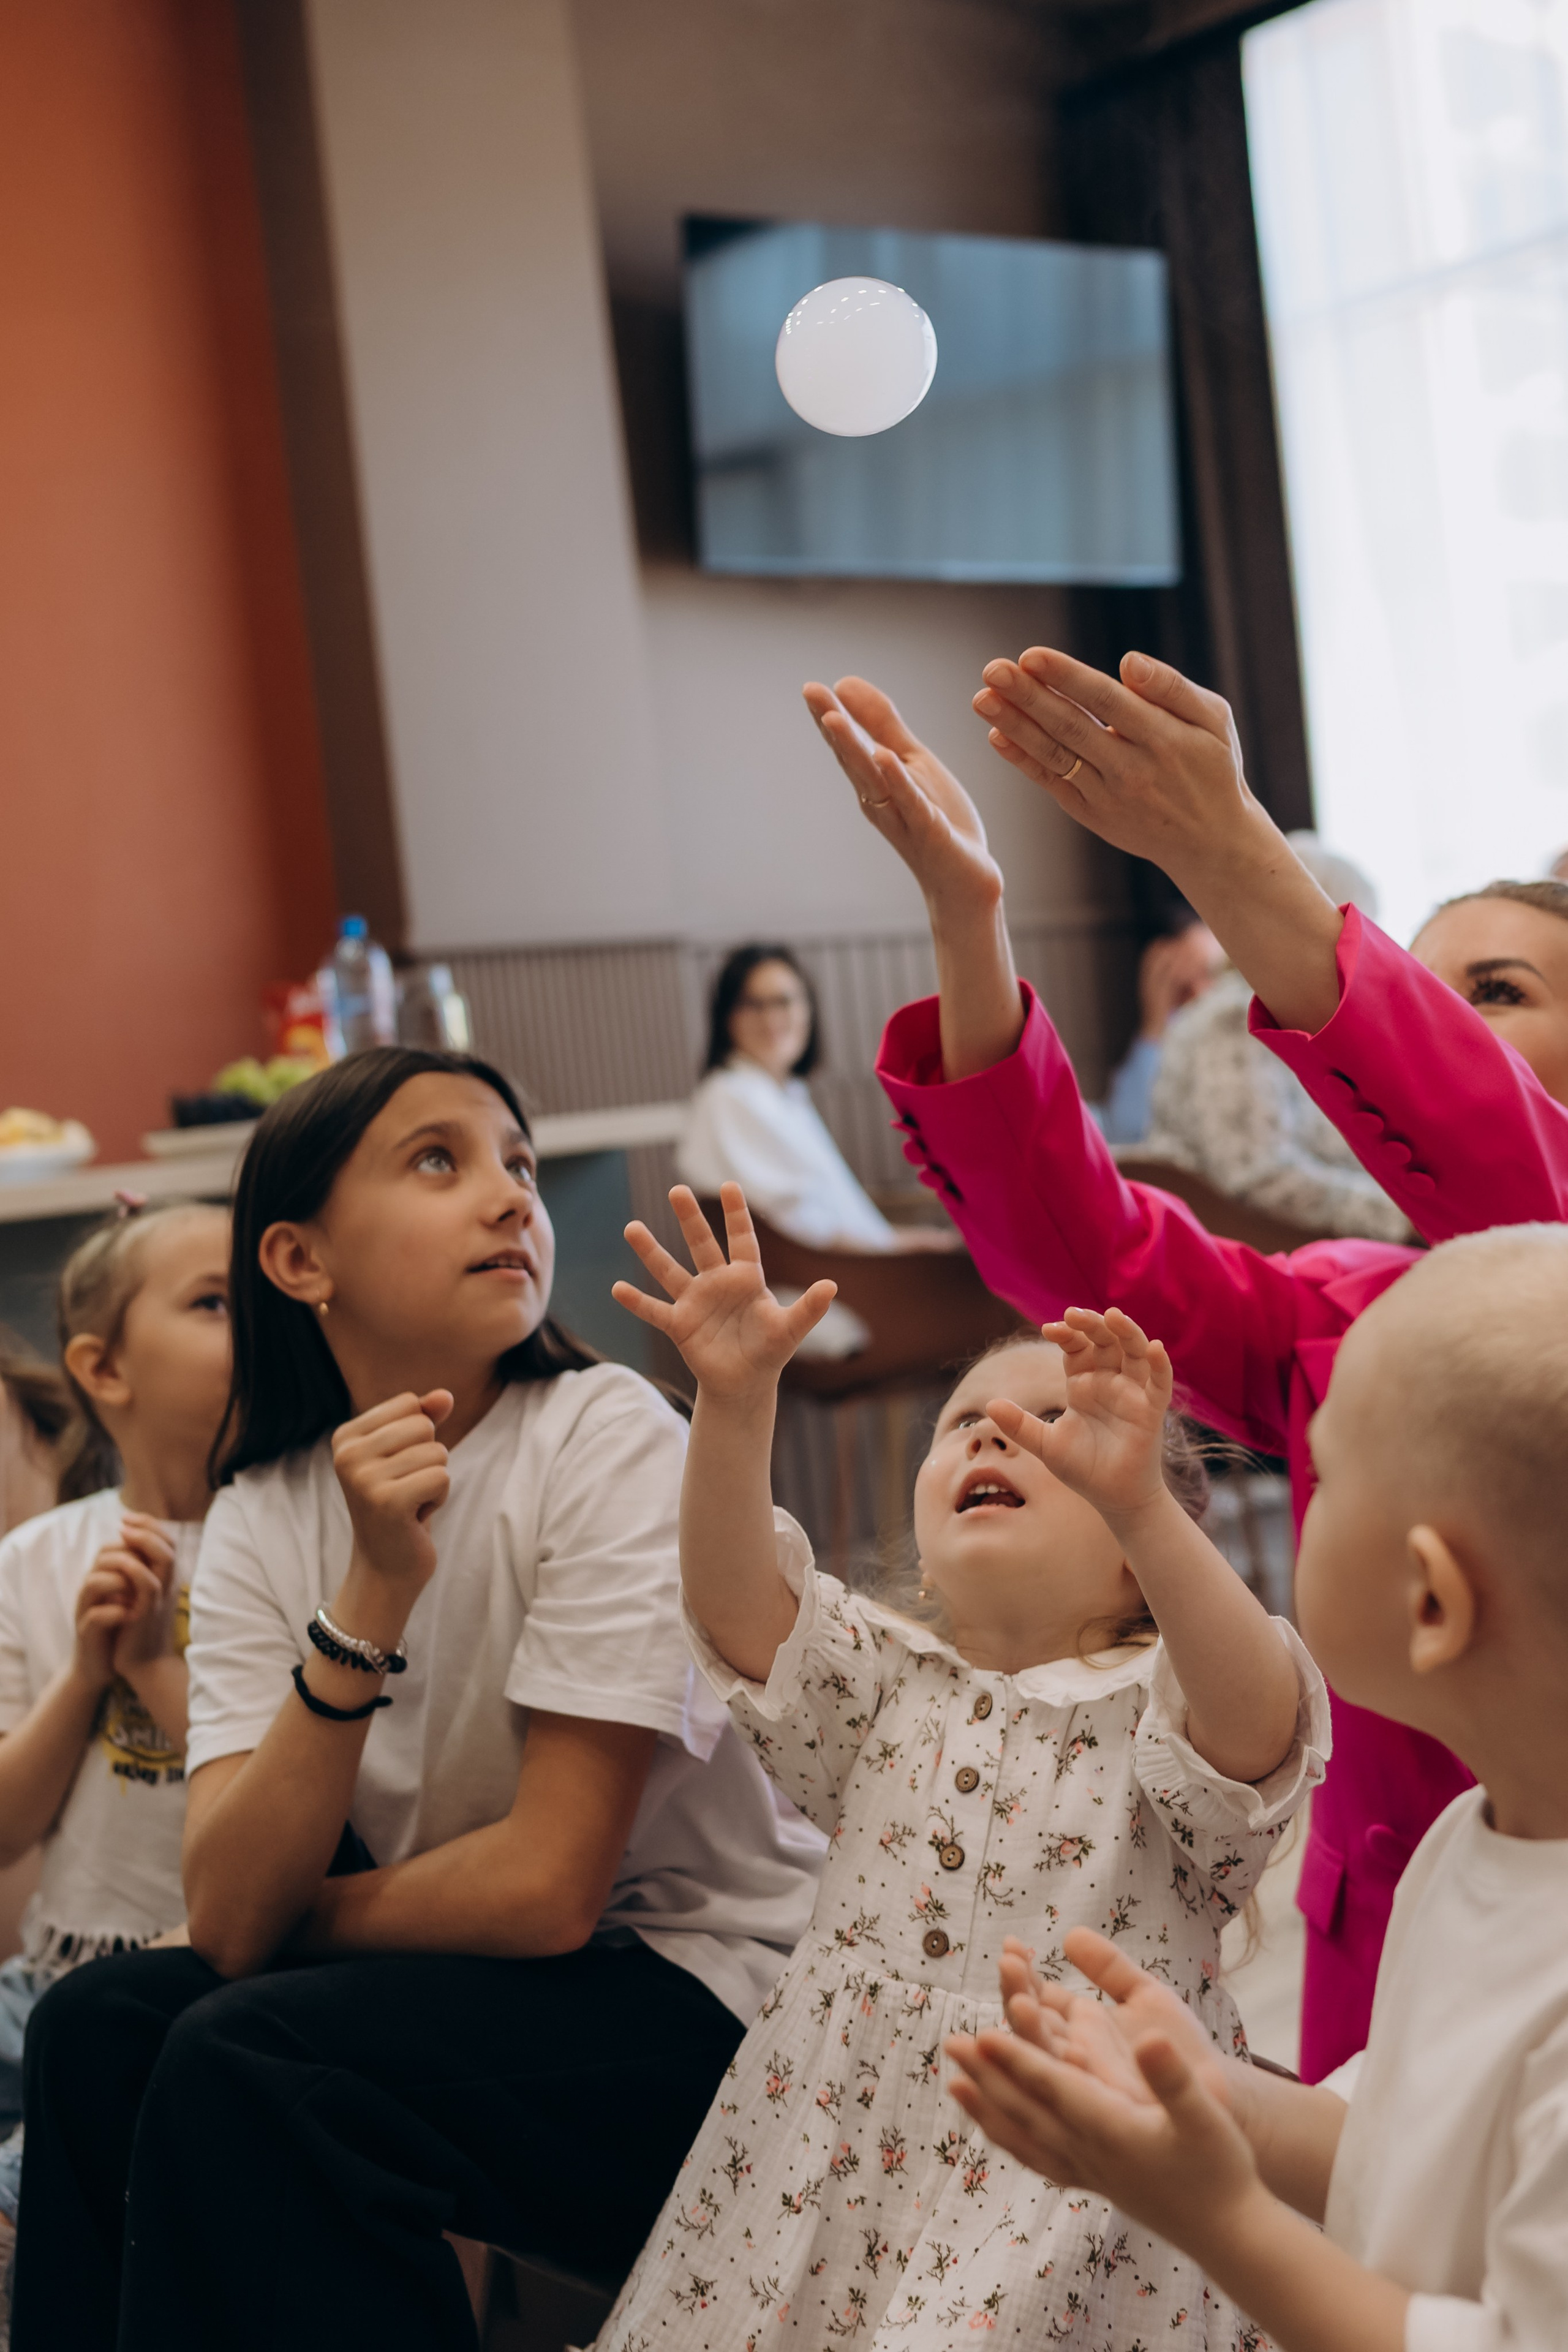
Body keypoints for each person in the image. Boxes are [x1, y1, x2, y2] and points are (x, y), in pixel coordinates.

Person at [803, 662, 1568, 2082]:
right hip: (1383, 1955)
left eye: (1494, 992)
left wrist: (1225, 851)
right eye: (1425, 985)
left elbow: (1523, 1188)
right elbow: (1078, 1255)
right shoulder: (1343, 1311)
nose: (1443, 1019)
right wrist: (966, 921)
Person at [11, 1047, 821, 2352]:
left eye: (520, 1165)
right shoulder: (263, 1508)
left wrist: (288, 1924)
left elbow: (547, 1892)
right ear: (299, 1261)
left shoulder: (606, 1432)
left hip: (721, 2003)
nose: (510, 1197)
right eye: (439, 1161)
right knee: (94, 2026)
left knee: (254, 2057)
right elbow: (232, 1906)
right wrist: (373, 1593)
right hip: (473, 1985)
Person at [597, 1182, 1327, 2350]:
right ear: (929, 1552)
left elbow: (1261, 1724)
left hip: (1071, 2162)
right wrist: (733, 1404)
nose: (996, 1432)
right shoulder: (887, 1683)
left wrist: (1142, 1507)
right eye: (966, 1422)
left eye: (1056, 1425)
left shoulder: (1166, 1704)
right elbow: (735, 1604)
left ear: (1145, 1564)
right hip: (831, 2142)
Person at [947, 1224, 1568, 2352]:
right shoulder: (1478, 1837)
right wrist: (1223, 2099)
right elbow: (1395, 2155)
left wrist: (1218, 2219)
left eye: (1324, 1480)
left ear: (1431, 1604)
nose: (1300, 1507)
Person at [0, 1200, 232, 2228]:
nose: (254, 1327)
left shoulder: (303, 1538)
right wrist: (88, 1673)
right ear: (104, 1369)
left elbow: (294, 1800)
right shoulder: (34, 1560)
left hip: (202, 1983)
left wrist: (150, 1665)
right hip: (51, 1972)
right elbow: (8, 1826)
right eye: (215, 1303)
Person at [1140, 836, 1411, 1242]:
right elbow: (1257, 1175)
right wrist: (1405, 1218)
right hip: (1262, 1251)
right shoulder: (1238, 1019)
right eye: (1359, 933)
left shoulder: (1284, 1012)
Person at [678, 943, 954, 1253]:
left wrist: (897, 1240)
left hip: (859, 1259)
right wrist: (899, 1249)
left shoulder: (784, 1094)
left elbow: (833, 1210)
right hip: (832, 1272)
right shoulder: (731, 1095)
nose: (770, 1018)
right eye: (752, 1004)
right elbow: (801, 1227)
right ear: (726, 1016)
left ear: (807, 1010)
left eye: (783, 1001)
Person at [1093, 914, 1222, 1144]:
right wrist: (1154, 1024)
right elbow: (1128, 1131)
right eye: (1184, 986)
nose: (1201, 992)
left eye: (1209, 975)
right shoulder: (1166, 1038)